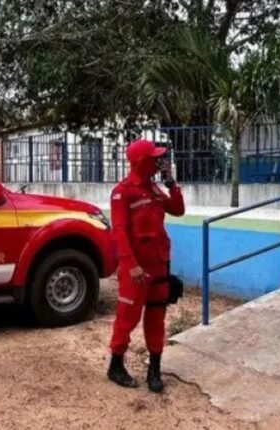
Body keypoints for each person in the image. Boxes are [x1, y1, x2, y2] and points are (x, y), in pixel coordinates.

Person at [107, 139, 185, 393]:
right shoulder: (123, 192)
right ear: (141, 161)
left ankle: (154, 369)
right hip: (137, 270)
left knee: (156, 317)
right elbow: (119, 232)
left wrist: (171, 183)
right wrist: (131, 266)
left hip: (159, 265)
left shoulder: (154, 188)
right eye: (154, 157)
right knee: (126, 318)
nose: (159, 160)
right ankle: (116, 365)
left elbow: (178, 210)